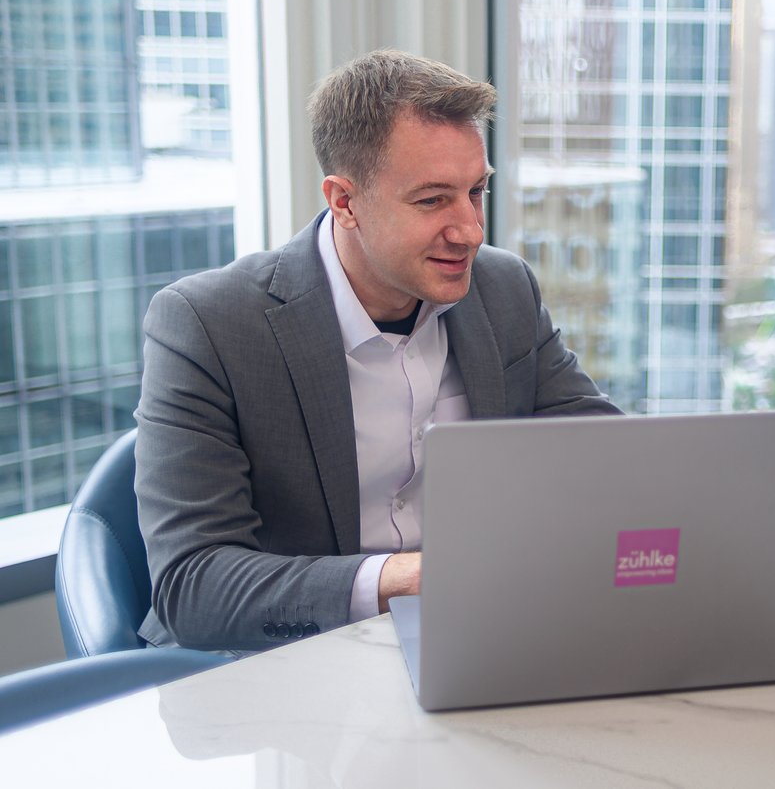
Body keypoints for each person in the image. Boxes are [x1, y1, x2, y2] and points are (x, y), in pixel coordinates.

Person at [135, 50, 621, 652]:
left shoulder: (503, 288)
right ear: (344, 201)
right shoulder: (208, 323)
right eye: (432, 200)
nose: (470, 228)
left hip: (475, 636)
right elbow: (194, 585)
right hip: (280, 664)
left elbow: (607, 459)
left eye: (477, 191)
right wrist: (410, 580)